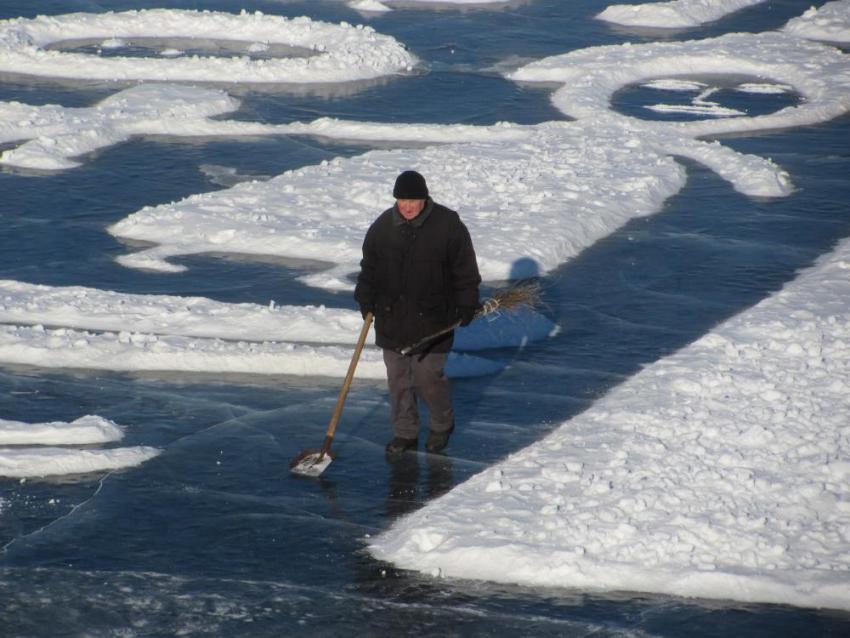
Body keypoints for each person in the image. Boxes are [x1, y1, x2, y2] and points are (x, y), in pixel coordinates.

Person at [355, 170, 481, 457]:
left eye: (412, 200)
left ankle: (440, 426)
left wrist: (466, 303)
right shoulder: (382, 227)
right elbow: (369, 270)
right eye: (402, 200)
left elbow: (465, 271)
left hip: (434, 319)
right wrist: (366, 299)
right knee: (398, 380)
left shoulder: (448, 225)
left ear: (424, 199)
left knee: (428, 378)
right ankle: (405, 433)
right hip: (392, 318)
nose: (407, 206)